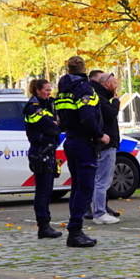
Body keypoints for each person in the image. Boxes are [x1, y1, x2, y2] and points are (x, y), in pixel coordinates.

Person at [54, 55, 109, 248]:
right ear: (84, 69)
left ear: (68, 70)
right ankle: (75, 231)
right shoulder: (84, 89)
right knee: (85, 187)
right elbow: (87, 115)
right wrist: (100, 134)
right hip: (84, 142)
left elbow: (61, 116)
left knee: (77, 187)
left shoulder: (62, 91)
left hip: (70, 140)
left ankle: (75, 229)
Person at [24, 78, 62, 240]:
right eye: (46, 90)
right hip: (40, 152)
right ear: (37, 90)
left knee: (47, 190)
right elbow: (52, 128)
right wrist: (55, 124)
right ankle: (43, 226)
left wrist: (56, 123)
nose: (49, 92)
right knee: (43, 191)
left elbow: (58, 125)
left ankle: (45, 225)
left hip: (48, 151)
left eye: (50, 89)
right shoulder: (33, 108)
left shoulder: (47, 104)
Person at [90, 72, 121, 224]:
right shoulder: (101, 99)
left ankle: (98, 210)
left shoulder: (99, 97)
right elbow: (110, 114)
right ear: (107, 84)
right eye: (114, 83)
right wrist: (116, 101)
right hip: (106, 143)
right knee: (103, 180)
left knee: (99, 180)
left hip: (105, 143)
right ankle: (99, 212)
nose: (116, 86)